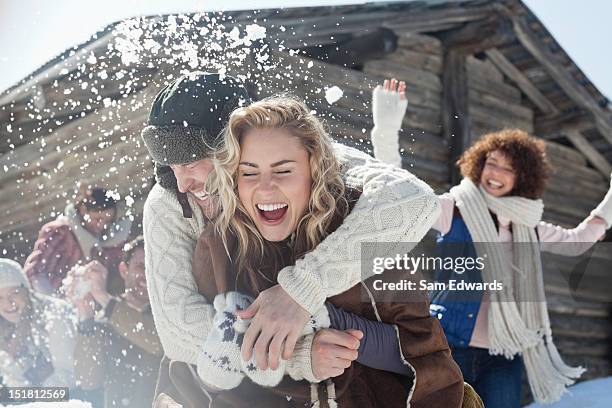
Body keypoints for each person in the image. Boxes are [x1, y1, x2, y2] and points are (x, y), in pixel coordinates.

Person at [140, 72, 441, 383]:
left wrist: (299, 291)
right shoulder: (169, 203)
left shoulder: (300, 158)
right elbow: (176, 329)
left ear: (236, 146)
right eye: (170, 167)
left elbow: (416, 201)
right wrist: (291, 352)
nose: (181, 182)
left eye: (191, 162)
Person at [188, 94, 466, 407]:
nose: (265, 188)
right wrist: (292, 356)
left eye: (283, 171)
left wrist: (320, 316)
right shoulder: (220, 247)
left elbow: (424, 353)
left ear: (313, 171)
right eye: (249, 172)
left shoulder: (360, 230)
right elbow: (199, 374)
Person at [372, 79, 612, 407]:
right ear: (479, 164)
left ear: (522, 178)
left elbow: (577, 241)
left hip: (503, 354)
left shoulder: (527, 227)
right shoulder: (453, 210)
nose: (495, 173)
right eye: (491, 163)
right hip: (447, 345)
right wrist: (386, 127)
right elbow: (401, 195)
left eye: (508, 169)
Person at [67, 236, 163, 408]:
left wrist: (103, 297)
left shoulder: (167, 313)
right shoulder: (105, 318)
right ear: (123, 270)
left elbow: (157, 343)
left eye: (154, 267)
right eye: (141, 266)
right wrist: (86, 315)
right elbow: (88, 380)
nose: (148, 273)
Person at [23, 186, 132, 296]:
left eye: (108, 221)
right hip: (54, 300)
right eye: (97, 219)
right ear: (83, 210)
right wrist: (53, 304)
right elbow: (34, 273)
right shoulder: (60, 232)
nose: (102, 225)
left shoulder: (114, 243)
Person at [0, 258, 77, 388]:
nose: (8, 303)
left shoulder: (56, 315)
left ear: (27, 289)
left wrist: (27, 398)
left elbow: (69, 378)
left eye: (14, 293)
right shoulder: (6, 323)